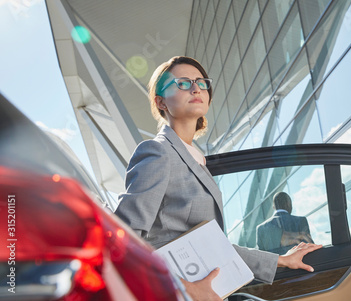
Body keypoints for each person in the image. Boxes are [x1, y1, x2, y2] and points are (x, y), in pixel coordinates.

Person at [114, 56, 322, 301]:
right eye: (182, 83)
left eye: (201, 83)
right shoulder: (158, 152)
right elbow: (122, 241)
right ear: (161, 102)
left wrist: (282, 260)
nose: (195, 88)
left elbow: (213, 248)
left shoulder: (196, 160)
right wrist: (185, 288)